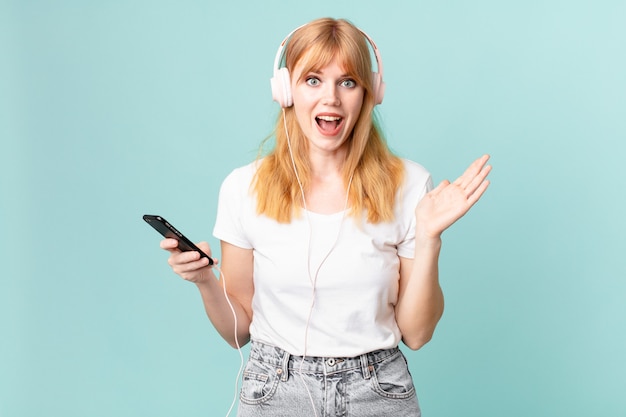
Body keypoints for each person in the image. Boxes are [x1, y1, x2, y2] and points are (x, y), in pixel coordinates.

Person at [160, 17, 491, 417]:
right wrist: (203, 281)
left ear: (369, 94)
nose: (330, 98)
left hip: (378, 389)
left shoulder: (410, 184)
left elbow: (417, 334)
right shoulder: (242, 188)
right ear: (286, 90)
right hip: (275, 388)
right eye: (313, 79)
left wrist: (430, 237)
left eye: (347, 82)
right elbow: (239, 332)